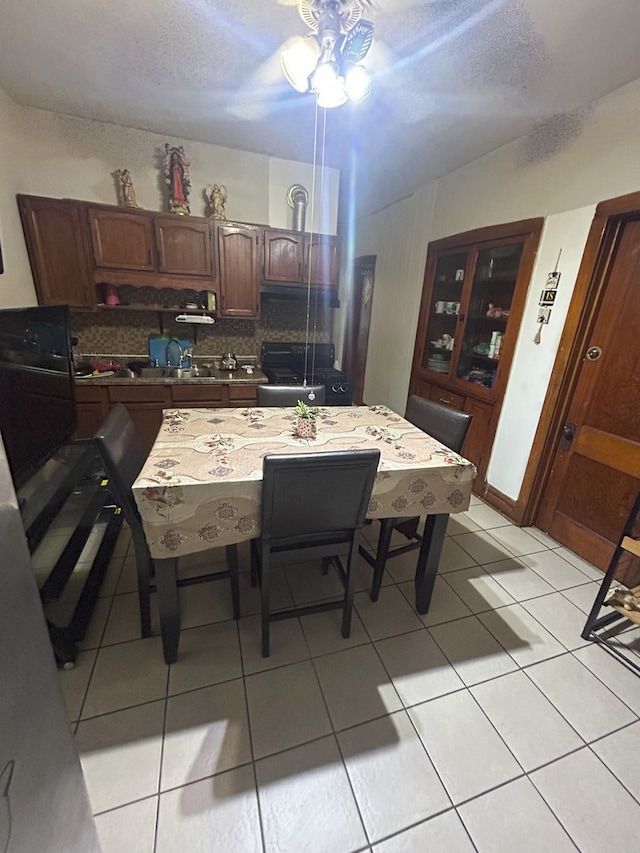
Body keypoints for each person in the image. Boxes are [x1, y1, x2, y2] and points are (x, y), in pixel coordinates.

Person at [164, 144, 191, 214]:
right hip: (175, 179)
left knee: (180, 188)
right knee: (176, 188)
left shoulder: (180, 165)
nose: (175, 158)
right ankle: (176, 200)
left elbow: (183, 171)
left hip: (179, 177)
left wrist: (178, 169)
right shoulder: (172, 166)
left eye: (176, 157)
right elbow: (170, 171)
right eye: (174, 157)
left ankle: (182, 200)